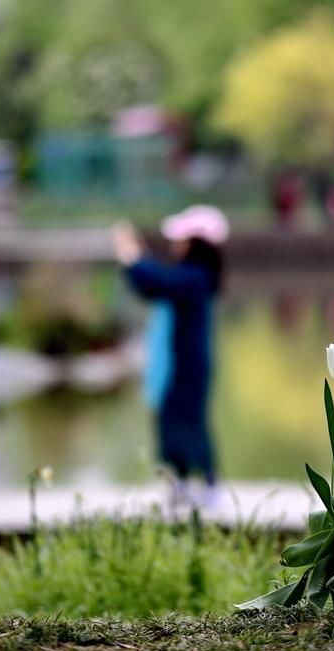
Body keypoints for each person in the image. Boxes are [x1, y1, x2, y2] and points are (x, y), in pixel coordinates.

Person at [114, 205, 227, 508]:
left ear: (195, 243)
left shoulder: (195, 278)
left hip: (189, 365)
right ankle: (180, 482)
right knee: (172, 420)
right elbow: (158, 283)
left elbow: (157, 283)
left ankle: (207, 481)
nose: (176, 246)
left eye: (181, 240)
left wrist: (133, 256)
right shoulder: (194, 277)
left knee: (189, 422)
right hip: (183, 363)